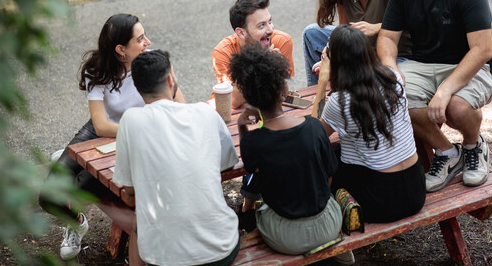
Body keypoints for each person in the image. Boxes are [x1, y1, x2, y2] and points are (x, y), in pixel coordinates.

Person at [38, 14, 185, 261]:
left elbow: (180, 107)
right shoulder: (98, 70)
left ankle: (76, 168)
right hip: (105, 130)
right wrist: (142, 126)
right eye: (140, 39)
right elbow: (101, 124)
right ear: (120, 50)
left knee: (84, 188)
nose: (148, 42)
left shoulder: (154, 62)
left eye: (145, 35)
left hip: (136, 135)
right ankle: (77, 222)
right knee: (48, 197)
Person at [377, 0, 492, 193]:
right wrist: (391, 70)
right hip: (423, 64)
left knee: (455, 107)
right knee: (389, 97)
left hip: (470, 65)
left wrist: (443, 91)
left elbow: (482, 50)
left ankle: (472, 144)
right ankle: (446, 152)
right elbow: (387, 37)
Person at [228, 44, 354, 265]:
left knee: (261, 211)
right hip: (328, 224)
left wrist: (241, 126)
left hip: (286, 238)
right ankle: (332, 245)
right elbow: (329, 177)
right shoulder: (314, 127)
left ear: (250, 99)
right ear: (283, 92)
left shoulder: (254, 141)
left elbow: (250, 169)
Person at [113, 50, 240, 266]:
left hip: (161, 259)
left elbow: (129, 189)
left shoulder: (131, 121)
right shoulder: (206, 112)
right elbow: (226, 165)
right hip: (221, 249)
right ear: (171, 80)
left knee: (139, 222)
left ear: (137, 87)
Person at [312, 25, 426, 222]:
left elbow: (313, 134)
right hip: (416, 190)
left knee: (322, 157)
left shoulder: (341, 101)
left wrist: (323, 81)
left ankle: (321, 214)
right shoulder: (395, 78)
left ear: (336, 62)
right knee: (341, 150)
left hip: (381, 203)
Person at [212, 0, 294, 108]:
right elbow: (233, 101)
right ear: (240, 33)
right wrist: (266, 64)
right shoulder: (223, 52)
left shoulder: (282, 41)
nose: (270, 30)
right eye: (261, 26)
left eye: (269, 21)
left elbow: (281, 93)